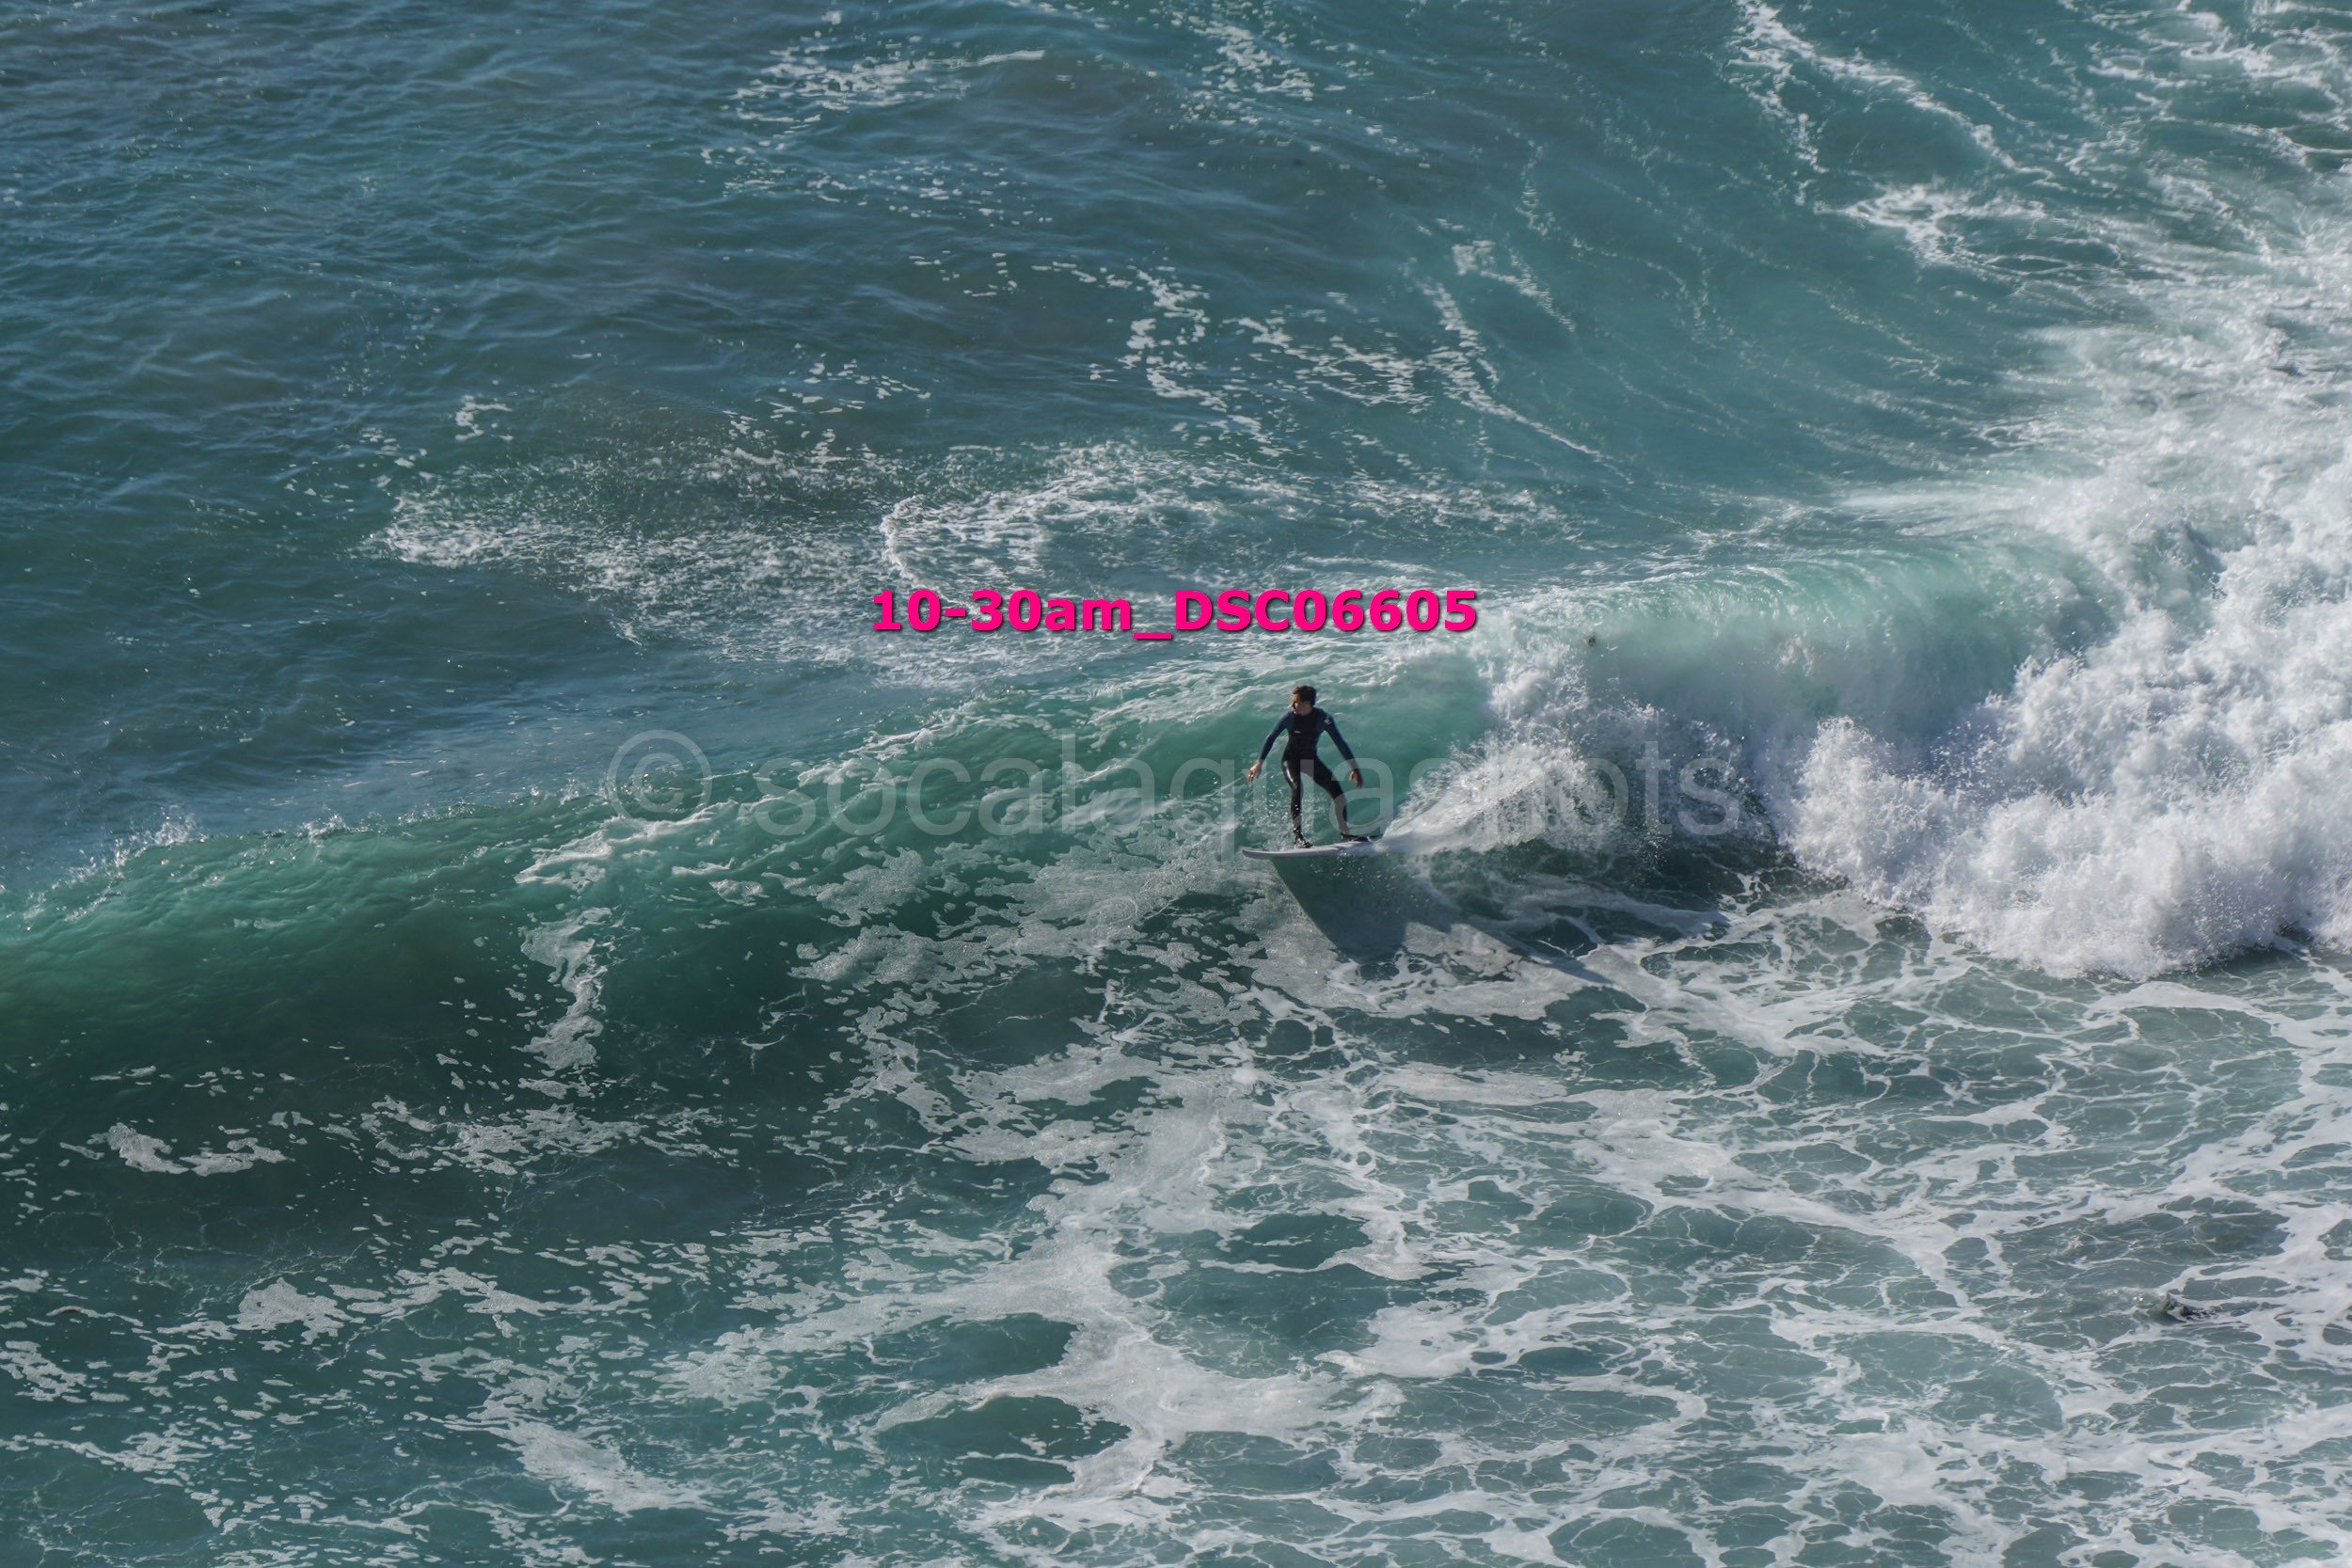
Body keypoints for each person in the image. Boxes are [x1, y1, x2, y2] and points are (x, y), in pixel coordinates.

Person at [1248, 684, 1366, 847]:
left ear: (1307, 703)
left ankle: (1345, 834)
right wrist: (1258, 763)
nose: (1292, 705)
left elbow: (1340, 743)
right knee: (1297, 788)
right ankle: (1298, 836)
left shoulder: (1323, 719)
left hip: (1310, 760)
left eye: (1296, 701)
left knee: (1338, 793)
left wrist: (1355, 768)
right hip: (1290, 760)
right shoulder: (1289, 717)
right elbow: (1271, 737)